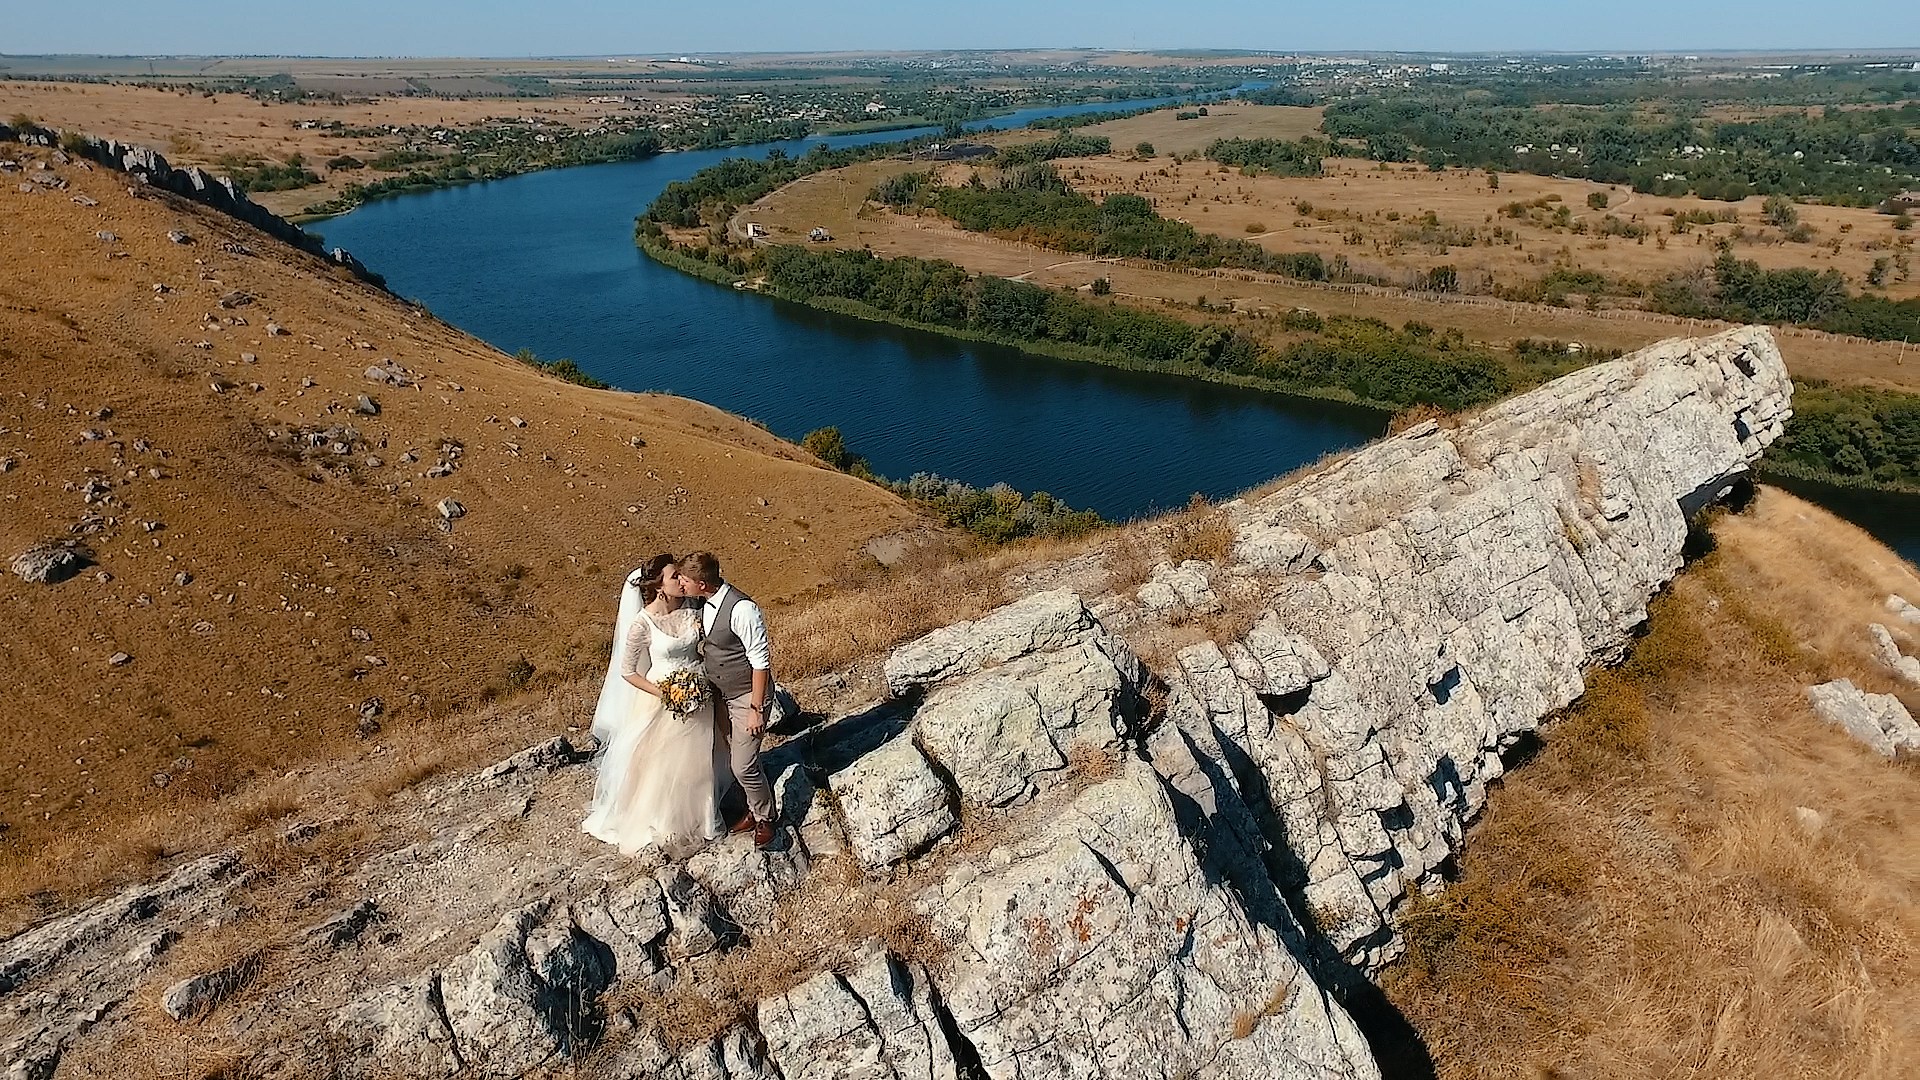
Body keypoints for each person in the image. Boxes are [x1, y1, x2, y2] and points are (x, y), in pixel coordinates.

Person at [581, 554, 728, 857]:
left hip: (698, 694)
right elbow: (627, 671)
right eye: (675, 576)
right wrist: (664, 692)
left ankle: (702, 818)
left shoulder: (693, 610)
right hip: (661, 699)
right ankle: (662, 820)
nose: (681, 580)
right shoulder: (643, 622)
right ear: (660, 585)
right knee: (662, 764)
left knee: (698, 759)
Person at [675, 551, 776, 850]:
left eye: (686, 581)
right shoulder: (703, 603)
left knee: (743, 765)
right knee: (733, 753)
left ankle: (766, 817)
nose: (682, 586)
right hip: (721, 695)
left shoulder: (743, 609)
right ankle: (752, 807)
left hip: (746, 695)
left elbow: (760, 662)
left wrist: (756, 710)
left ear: (702, 584)